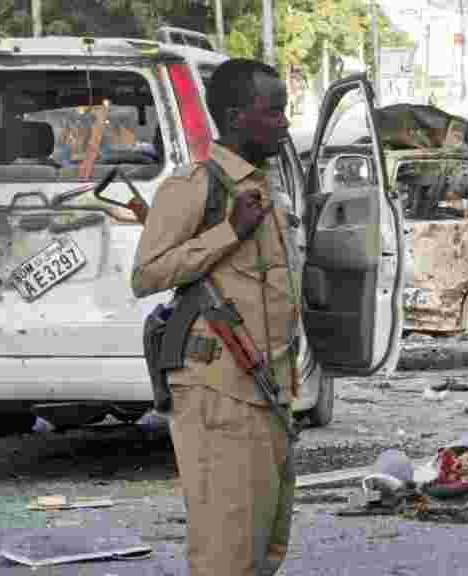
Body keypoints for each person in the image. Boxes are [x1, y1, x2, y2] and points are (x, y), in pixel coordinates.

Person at [131, 58, 298, 576]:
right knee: (225, 553)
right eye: (274, 112)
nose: (285, 123)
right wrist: (228, 232)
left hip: (267, 388)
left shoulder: (265, 185)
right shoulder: (196, 185)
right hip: (218, 393)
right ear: (234, 115)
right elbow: (147, 274)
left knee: (265, 548)